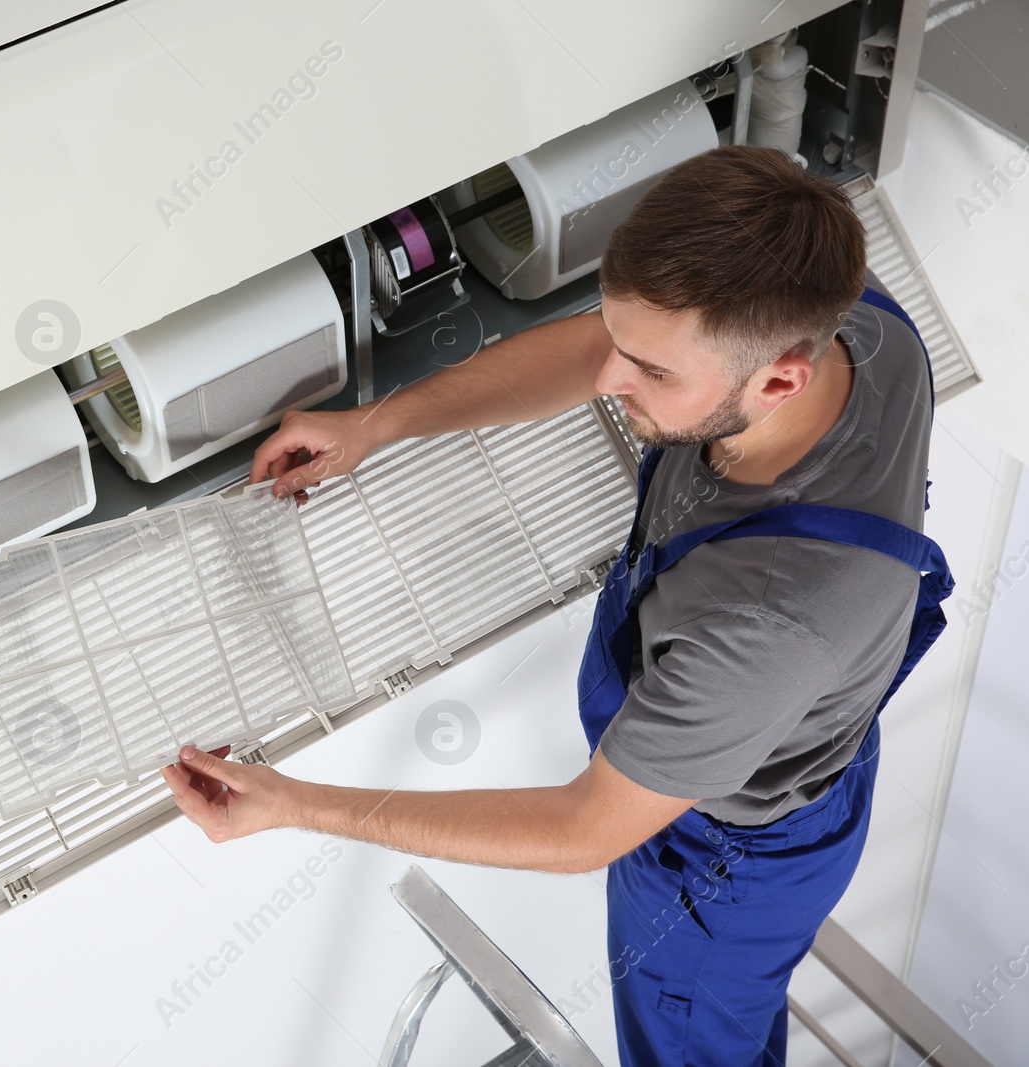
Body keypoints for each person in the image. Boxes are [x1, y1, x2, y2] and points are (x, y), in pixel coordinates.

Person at [159, 145, 953, 1066]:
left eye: (652, 374)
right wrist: (376, 423)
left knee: (696, 1041)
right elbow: (591, 353)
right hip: (779, 745)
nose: (613, 381)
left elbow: (587, 827)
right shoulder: (853, 320)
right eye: (625, 342)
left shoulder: (768, 621)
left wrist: (294, 802)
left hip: (715, 873)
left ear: (780, 380)